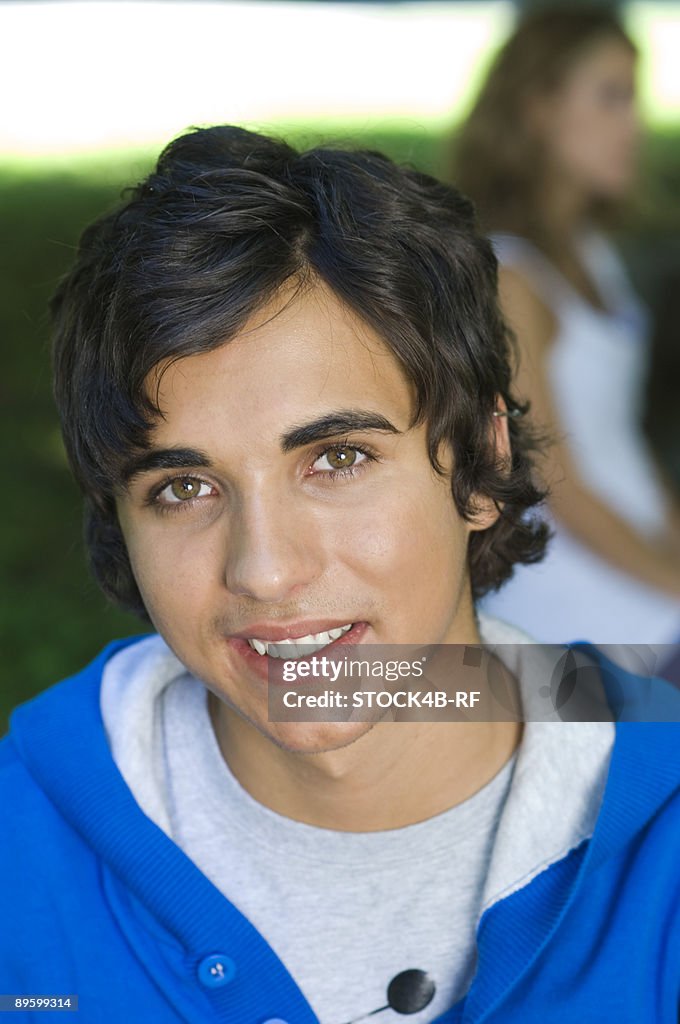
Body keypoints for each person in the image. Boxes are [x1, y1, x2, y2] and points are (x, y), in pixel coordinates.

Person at [1, 125, 679, 1024]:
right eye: (184, 487)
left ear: (478, 460)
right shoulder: (24, 838)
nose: (267, 571)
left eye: (337, 459)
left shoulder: (657, 817)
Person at [455, 7, 680, 646]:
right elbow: (553, 484)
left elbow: (620, 444)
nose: (633, 126)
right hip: (573, 589)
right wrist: (671, 585)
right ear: (538, 108)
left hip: (638, 560)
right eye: (612, 98)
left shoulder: (593, 252)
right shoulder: (512, 277)